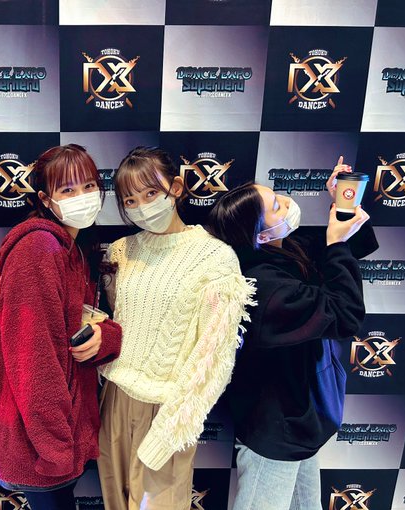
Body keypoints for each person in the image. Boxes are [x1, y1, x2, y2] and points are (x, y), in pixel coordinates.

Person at [207, 158, 379, 510]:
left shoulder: (285, 248)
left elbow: (349, 247)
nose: (287, 202)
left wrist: (343, 203)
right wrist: (336, 245)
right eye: (276, 206)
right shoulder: (266, 288)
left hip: (302, 422)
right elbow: (345, 314)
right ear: (260, 235)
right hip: (275, 431)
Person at [97, 147, 256, 510]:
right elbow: (118, 322)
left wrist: (169, 433)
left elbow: (213, 361)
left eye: (151, 193)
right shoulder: (120, 251)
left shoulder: (216, 258)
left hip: (168, 409)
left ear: (177, 187)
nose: (142, 206)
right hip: (115, 399)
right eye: (130, 200)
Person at [0, 144, 122, 510]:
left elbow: (78, 326)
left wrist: (107, 338)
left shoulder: (73, 249)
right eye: (67, 189)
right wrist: (57, 449)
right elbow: (32, 359)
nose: (83, 197)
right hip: (40, 446)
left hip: (61, 436)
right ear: (46, 199)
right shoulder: (38, 249)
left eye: (89, 186)